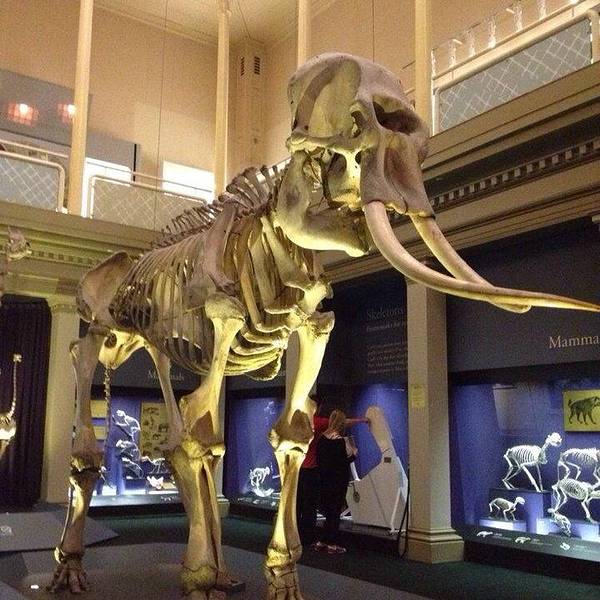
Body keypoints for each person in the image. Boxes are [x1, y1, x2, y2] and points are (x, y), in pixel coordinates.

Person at [316, 410, 358, 554]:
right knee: (335, 512)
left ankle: (323, 540)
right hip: (338, 481)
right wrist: (354, 455)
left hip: (324, 480)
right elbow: (342, 462)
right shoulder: (339, 440)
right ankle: (332, 543)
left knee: (329, 512)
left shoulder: (322, 438)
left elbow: (320, 460)